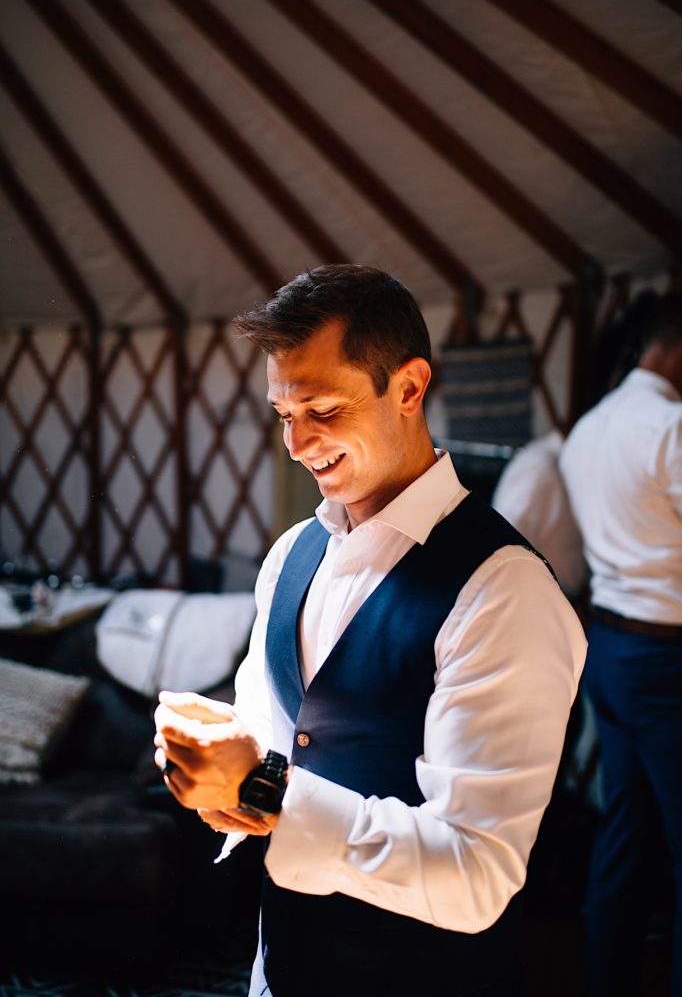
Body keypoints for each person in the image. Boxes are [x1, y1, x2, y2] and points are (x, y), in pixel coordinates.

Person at [154, 265, 587, 997]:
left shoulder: (503, 590)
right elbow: (272, 745)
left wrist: (264, 785)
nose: (296, 444)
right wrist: (215, 775)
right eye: (282, 413)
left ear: (409, 389)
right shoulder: (291, 554)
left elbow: (477, 872)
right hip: (281, 969)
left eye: (322, 409)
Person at [559, 289, 682, 997]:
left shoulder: (588, 430)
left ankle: (604, 982)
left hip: (610, 648)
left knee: (626, 833)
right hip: (665, 659)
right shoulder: (670, 427)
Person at [491, 428, 587, 603]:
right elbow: (505, 549)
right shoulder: (539, 469)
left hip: (559, 600)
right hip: (534, 601)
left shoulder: (567, 464)